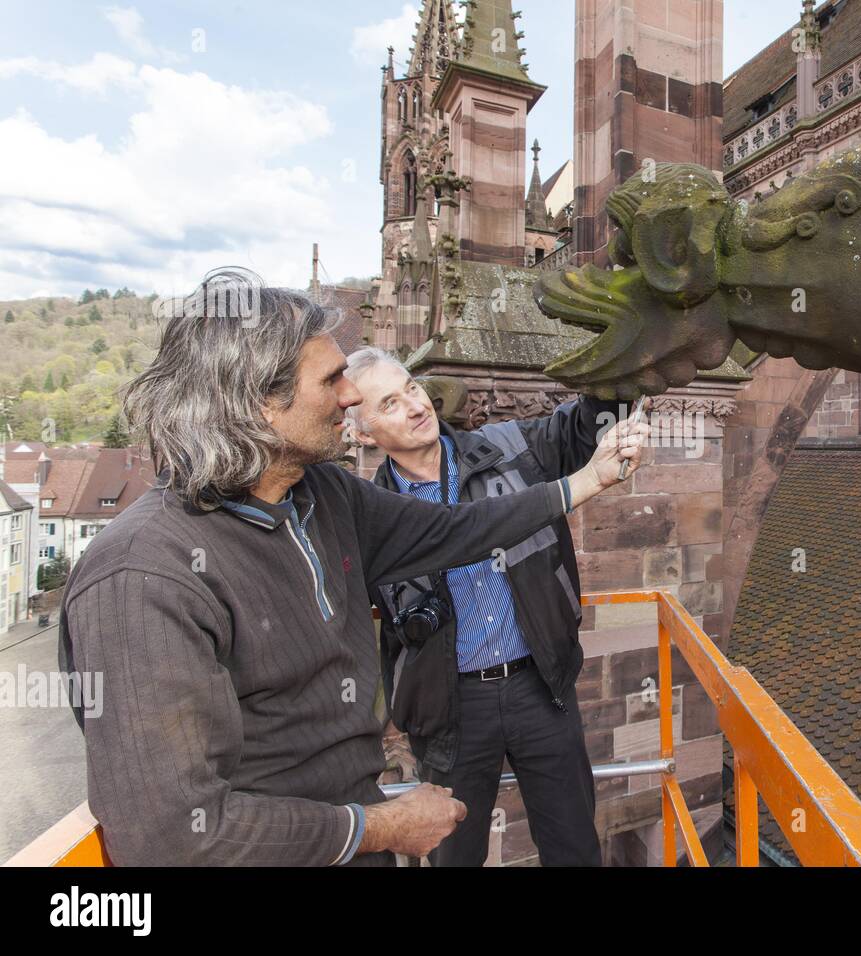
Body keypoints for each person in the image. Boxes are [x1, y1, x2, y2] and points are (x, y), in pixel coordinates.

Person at [57, 268, 646, 866]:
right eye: (333, 379)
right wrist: (380, 826)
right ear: (259, 403)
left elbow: (456, 531)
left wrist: (585, 480)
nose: (350, 396)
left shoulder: (322, 496)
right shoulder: (141, 576)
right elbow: (169, 834)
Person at [344, 347, 623, 866]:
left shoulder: (510, 446)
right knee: (454, 856)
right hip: (450, 710)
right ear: (362, 434)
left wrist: (623, 376)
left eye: (410, 387)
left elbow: (585, 427)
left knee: (574, 848)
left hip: (541, 689)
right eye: (388, 404)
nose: (414, 405)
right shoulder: (367, 517)